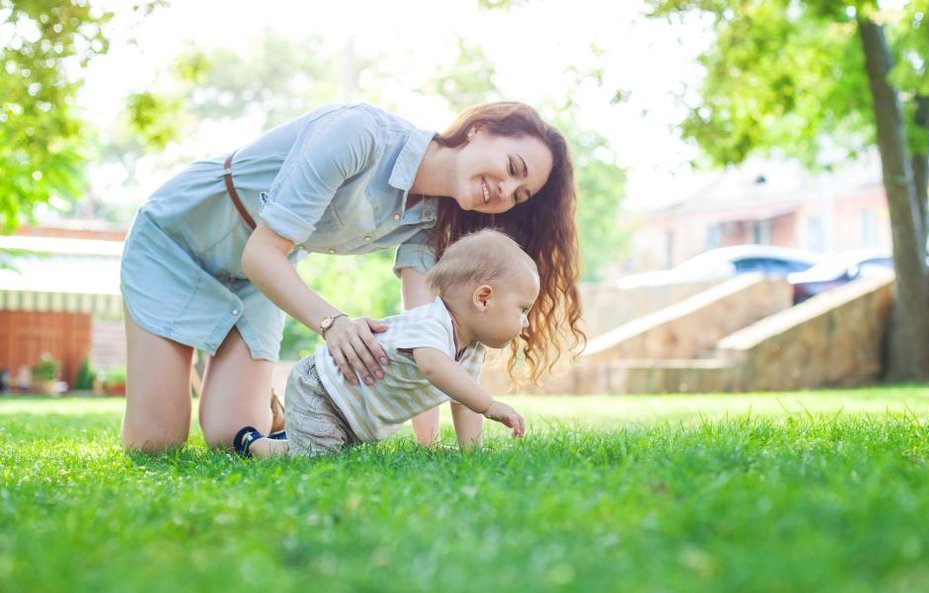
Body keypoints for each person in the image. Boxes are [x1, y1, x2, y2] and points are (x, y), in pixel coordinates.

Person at [119, 101, 583, 454]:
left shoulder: (430, 222)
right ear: (480, 129)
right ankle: (192, 365)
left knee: (228, 436)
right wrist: (333, 323)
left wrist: (431, 446)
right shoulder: (360, 133)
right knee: (156, 443)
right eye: (511, 168)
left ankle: (258, 396)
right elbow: (262, 254)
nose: (503, 192)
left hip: (252, 283)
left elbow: (427, 332)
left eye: (518, 195)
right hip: (176, 243)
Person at [237, 229, 533, 457]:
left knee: (327, 453)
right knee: (319, 463)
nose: (526, 322)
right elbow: (433, 366)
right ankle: (254, 447)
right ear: (483, 298)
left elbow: (464, 401)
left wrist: (473, 454)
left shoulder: (472, 350)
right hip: (321, 390)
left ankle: (271, 441)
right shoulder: (433, 323)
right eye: (523, 309)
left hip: (353, 414)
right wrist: (489, 405)